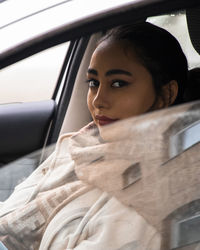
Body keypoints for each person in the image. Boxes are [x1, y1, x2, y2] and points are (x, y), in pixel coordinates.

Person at [0, 22, 199, 250]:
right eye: (94, 83)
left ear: (166, 93)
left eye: (118, 83)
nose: (98, 100)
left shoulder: (157, 196)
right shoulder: (83, 146)